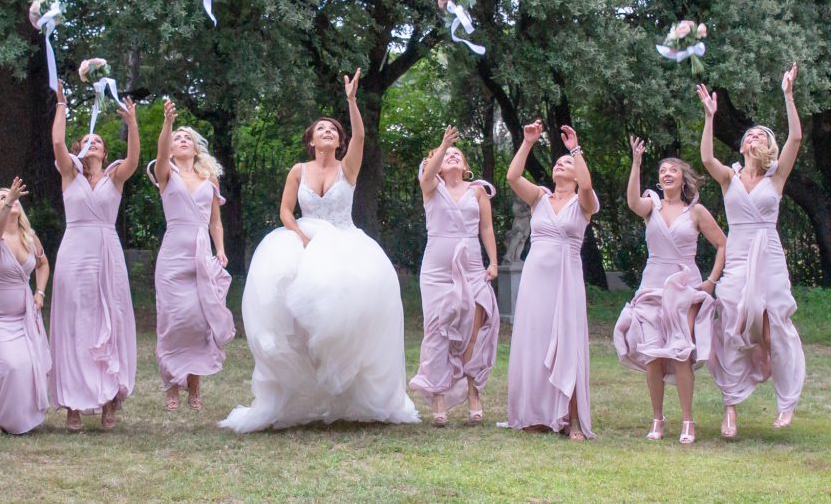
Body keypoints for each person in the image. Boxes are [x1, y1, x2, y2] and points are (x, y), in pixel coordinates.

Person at [219, 69, 419, 432]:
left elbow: (360, 134)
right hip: (304, 237)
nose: (328, 132)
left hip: (345, 241)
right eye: (321, 129)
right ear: (310, 140)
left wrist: (352, 101)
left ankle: (349, 391)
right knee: (292, 316)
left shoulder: (349, 167)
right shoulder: (298, 169)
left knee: (347, 319)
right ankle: (301, 392)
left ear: (339, 141)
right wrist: (299, 234)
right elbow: (284, 209)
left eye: (333, 130)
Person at [697, 63, 806, 437]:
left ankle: (786, 404)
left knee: (774, 328)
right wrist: (710, 117)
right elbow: (707, 159)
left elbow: (795, 139)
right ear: (743, 145)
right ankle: (730, 409)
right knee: (729, 324)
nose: (753, 137)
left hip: (769, 254)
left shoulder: (776, 176)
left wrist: (788, 95)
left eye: (760, 134)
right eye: (749, 134)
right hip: (740, 254)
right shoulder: (729, 177)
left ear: (767, 145)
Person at [613, 138, 726, 444]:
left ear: (682, 178)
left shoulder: (697, 211)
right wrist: (636, 164)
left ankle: (688, 421)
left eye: (672, 169)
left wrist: (711, 280)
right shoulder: (652, 205)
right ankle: (657, 419)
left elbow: (721, 244)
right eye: (662, 170)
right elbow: (633, 203)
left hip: (684, 286)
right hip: (651, 285)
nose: (666, 173)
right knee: (652, 354)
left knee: (680, 353)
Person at [49, 80, 140, 431]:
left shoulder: (115, 176)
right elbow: (57, 142)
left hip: (107, 253)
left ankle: (107, 402)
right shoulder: (69, 175)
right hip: (75, 253)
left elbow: (134, 159)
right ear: (80, 147)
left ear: (104, 151)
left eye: (99, 142)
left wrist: (132, 122)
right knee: (75, 324)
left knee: (110, 320)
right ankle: (73, 403)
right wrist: (61, 104)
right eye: (88, 140)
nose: (94, 144)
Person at [505, 120, 598, 440]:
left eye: (566, 163)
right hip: (536, 278)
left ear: (575, 172)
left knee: (567, 342)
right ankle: (537, 414)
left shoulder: (584, 203)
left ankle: (570, 418)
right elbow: (513, 177)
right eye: (558, 162)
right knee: (535, 341)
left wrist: (576, 149)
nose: (560, 164)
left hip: (566, 277)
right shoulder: (539, 198)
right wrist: (528, 142)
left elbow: (586, 187)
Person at [409, 126, 500, 427]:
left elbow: (486, 228)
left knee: (475, 329)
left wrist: (494, 262)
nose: (452, 156)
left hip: (473, 268)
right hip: (436, 271)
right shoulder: (431, 188)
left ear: (466, 166)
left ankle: (474, 394)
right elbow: (426, 175)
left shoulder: (478, 192)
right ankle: (438, 398)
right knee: (437, 332)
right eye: (446, 155)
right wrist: (443, 143)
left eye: (457, 154)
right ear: (434, 160)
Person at [149, 99, 235, 411]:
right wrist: (167, 125)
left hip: (201, 252)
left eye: (187, 137)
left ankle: (194, 386)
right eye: (176, 139)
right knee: (173, 321)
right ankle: (172, 387)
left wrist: (221, 249)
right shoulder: (164, 174)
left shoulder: (209, 179)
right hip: (173, 253)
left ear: (196, 148)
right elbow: (160, 153)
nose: (181, 141)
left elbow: (215, 221)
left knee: (199, 322)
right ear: (170, 149)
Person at [0, 177, 52, 436]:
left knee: (28, 366)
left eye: (14, 197)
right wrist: (8, 202)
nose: (11, 199)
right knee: (10, 365)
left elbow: (43, 265)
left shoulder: (29, 237)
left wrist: (39, 292)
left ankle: (18, 416)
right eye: (3, 199)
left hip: (23, 315)